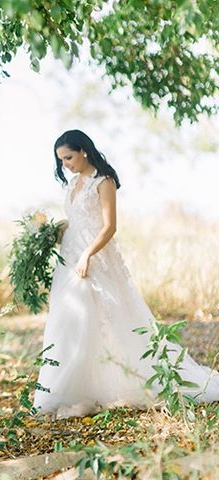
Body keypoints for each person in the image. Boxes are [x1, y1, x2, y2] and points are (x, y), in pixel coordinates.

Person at [33, 129, 219, 419]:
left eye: (68, 157)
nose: (65, 164)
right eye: (61, 160)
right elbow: (76, 221)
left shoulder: (103, 181)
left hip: (94, 257)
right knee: (69, 320)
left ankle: (110, 383)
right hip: (69, 257)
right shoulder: (73, 183)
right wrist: (53, 234)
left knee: (103, 318)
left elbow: (108, 227)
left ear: (83, 150)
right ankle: (70, 389)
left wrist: (87, 255)